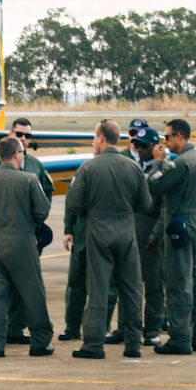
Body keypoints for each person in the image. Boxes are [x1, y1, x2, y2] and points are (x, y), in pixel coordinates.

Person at [66, 119, 152, 359]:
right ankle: (133, 343)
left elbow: (74, 204)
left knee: (98, 289)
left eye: (95, 138)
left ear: (102, 138)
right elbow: (145, 204)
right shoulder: (133, 167)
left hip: (99, 231)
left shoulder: (88, 168)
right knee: (132, 289)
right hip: (126, 231)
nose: (94, 142)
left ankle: (93, 344)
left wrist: (92, 213)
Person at [0, 117, 54, 345]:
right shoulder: (6, 169)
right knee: (33, 292)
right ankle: (41, 342)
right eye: (19, 134)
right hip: (22, 242)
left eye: (28, 136)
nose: (24, 139)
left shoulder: (35, 165)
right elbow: (42, 209)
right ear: (11, 140)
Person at [149, 118, 196, 355]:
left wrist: (158, 163)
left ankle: (180, 337)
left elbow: (155, 187)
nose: (165, 142)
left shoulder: (182, 163)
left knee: (178, 282)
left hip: (180, 225)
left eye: (167, 137)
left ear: (179, 136)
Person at [129, 121, 168, 345]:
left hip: (152, 235)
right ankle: (129, 328)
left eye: (144, 146)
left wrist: (156, 236)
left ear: (155, 147)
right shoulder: (134, 166)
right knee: (131, 284)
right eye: (137, 145)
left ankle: (152, 330)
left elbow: (164, 207)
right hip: (133, 232)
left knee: (154, 285)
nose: (139, 150)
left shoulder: (165, 167)